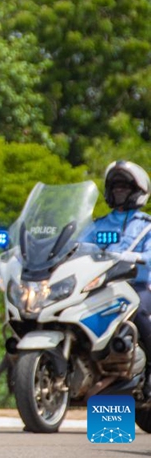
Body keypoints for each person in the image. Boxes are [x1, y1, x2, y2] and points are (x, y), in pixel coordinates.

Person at [81, 160, 151, 394]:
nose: (119, 191)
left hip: (136, 286)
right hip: (97, 287)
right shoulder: (96, 225)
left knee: (140, 310)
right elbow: (74, 247)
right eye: (116, 187)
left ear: (137, 192)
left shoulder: (146, 226)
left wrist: (133, 256)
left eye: (125, 187)